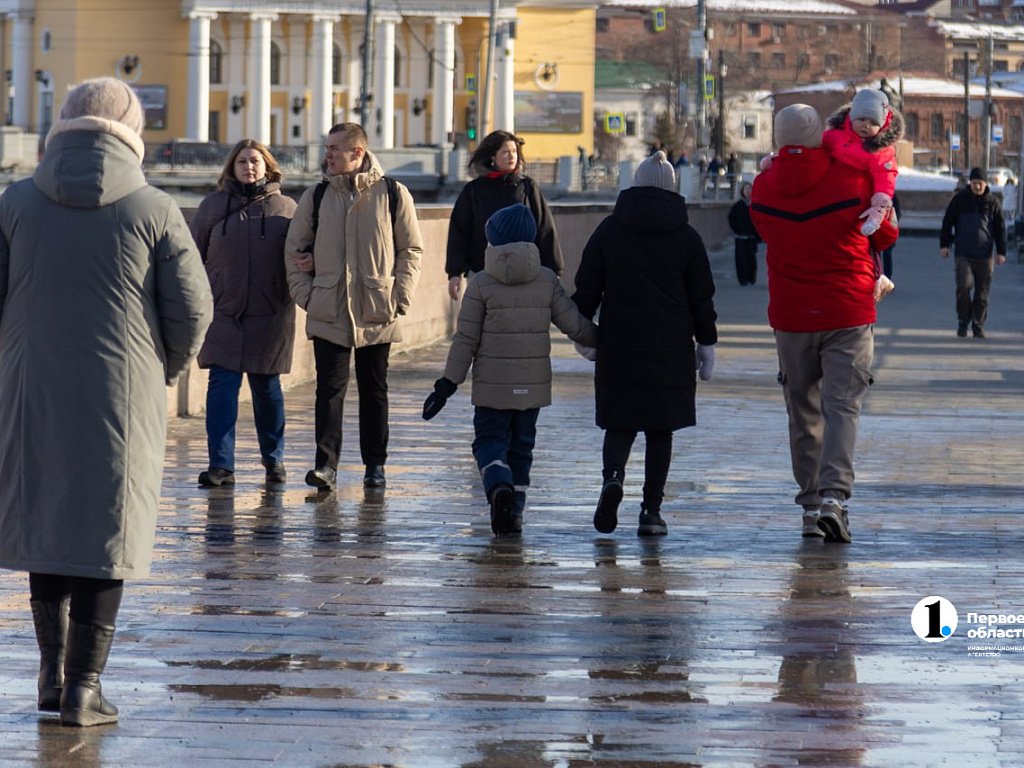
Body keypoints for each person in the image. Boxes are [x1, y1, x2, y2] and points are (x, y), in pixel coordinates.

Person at [0, 77, 212, 726]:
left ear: (61, 125)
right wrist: (161, 371)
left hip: (30, 388)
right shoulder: (153, 208)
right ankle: (84, 689)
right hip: (122, 391)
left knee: (48, 528)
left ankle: (47, 673)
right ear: (131, 132)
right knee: (105, 531)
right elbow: (193, 310)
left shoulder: (13, 204)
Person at [750, 104, 898, 543]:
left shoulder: (763, 188)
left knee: (802, 408)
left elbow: (764, 231)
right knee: (842, 406)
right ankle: (834, 498)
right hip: (847, 311)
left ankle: (811, 504)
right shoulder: (852, 179)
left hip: (793, 315)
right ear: (822, 135)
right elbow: (886, 234)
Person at [422, 204, 597, 536]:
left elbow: (465, 340)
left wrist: (447, 384)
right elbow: (575, 325)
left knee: (489, 441)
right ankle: (513, 513)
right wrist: (607, 343)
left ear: (495, 242)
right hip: (532, 389)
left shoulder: (482, 283)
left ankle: (498, 483)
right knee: (522, 448)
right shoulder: (546, 279)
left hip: (492, 388)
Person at [572, 151, 718, 537]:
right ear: (672, 187)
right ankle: (651, 512)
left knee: (619, 423)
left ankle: (613, 479)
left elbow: (587, 287)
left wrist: (583, 334)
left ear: (633, 184)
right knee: (660, 429)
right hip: (670, 346)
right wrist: (707, 344)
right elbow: (702, 296)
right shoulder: (687, 236)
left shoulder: (609, 229)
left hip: (619, 341)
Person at [285, 122, 423, 492]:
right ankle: (325, 466)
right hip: (329, 306)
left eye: (334, 149)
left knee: (374, 389)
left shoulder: (392, 193)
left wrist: (400, 295)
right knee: (329, 390)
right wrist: (308, 296)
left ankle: (374, 465)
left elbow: (411, 248)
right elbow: (294, 249)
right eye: (327, 147)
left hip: (377, 305)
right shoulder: (315, 196)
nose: (326, 155)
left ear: (357, 153)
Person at [190, 140, 296, 488]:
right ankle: (221, 464)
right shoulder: (212, 207)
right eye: (242, 161)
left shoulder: (286, 208)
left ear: (267, 166)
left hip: (270, 312)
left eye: (255, 161)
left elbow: (303, 254)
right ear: (231, 167)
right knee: (221, 386)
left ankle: (274, 460)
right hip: (224, 311)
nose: (249, 167)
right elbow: (191, 255)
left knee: (267, 389)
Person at [445, 130, 563, 301]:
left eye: (514, 151)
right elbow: (459, 231)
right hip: (482, 272)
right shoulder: (474, 190)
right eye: (505, 152)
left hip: (523, 272)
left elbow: (544, 227)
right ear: (493, 156)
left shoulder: (526, 186)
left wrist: (554, 269)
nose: (511, 156)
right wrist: (455, 272)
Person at [821, 88, 905, 236]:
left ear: (882, 126)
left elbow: (885, 174)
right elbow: (814, 149)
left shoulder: (880, 149)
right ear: (852, 117)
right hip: (832, 198)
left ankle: (876, 216)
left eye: (873, 122)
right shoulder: (834, 136)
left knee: (879, 201)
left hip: (860, 202)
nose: (866, 125)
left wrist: (882, 195)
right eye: (862, 120)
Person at [940, 167, 1007, 339]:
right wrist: (945, 244)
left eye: (981, 184)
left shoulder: (992, 203)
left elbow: (1000, 229)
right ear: (970, 183)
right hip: (963, 253)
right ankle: (963, 320)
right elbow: (948, 222)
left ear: (986, 184)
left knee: (982, 292)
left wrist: (1001, 252)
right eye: (975, 183)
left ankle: (978, 324)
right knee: (963, 286)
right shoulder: (960, 200)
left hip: (985, 255)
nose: (978, 187)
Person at [728, 181, 761, 285]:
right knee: (741, 259)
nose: (748, 191)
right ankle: (743, 279)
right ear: (742, 191)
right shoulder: (738, 206)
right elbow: (731, 219)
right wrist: (737, 229)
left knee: (751, 258)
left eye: (750, 189)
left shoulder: (755, 205)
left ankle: (751, 278)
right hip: (741, 237)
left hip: (752, 237)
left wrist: (758, 234)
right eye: (746, 189)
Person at [881, 192, 902, 279]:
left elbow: (897, 213)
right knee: (885, 254)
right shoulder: (891, 195)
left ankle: (886, 277)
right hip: (884, 228)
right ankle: (884, 277)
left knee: (886, 253)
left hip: (887, 229)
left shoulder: (891, 195)